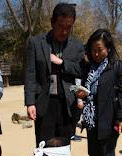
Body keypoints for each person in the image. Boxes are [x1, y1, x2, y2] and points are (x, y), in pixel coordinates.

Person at [76, 29, 122, 156]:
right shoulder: (87, 66)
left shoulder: (118, 67)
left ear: (109, 48)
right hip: (91, 120)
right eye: (93, 50)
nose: (96, 53)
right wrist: (80, 94)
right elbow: (83, 87)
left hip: (109, 119)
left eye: (100, 49)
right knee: (94, 154)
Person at [25, 3, 84, 146]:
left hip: (67, 104)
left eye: (68, 28)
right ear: (52, 22)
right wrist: (30, 102)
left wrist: (61, 63)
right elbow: (30, 73)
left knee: (63, 149)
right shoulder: (36, 43)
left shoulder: (77, 46)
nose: (64, 32)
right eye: (60, 26)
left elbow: (81, 70)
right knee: (43, 147)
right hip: (45, 103)